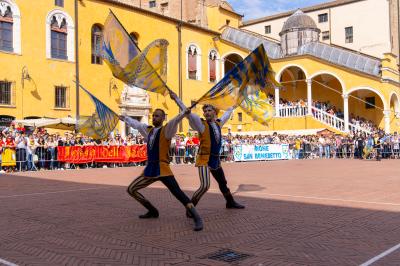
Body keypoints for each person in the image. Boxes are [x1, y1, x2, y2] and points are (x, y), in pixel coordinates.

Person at [120, 92, 203, 231]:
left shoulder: (167, 130)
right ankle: (152, 210)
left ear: (163, 118)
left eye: (157, 116)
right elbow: (136, 124)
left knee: (178, 193)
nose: (154, 117)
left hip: (163, 169)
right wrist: (124, 118)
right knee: (131, 189)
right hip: (150, 169)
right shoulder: (149, 130)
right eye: (153, 115)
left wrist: (184, 113)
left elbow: (175, 120)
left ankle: (197, 217)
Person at [173, 92, 245, 213]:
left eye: (209, 110)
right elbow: (188, 113)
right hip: (204, 159)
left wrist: (236, 102)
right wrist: (176, 99)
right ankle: (190, 207)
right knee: (205, 186)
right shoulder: (201, 124)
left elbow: (228, 112)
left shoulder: (218, 123)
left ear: (215, 112)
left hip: (215, 160)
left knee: (223, 182)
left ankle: (230, 202)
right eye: (205, 111)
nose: (206, 113)